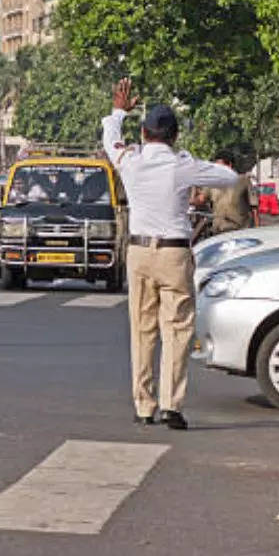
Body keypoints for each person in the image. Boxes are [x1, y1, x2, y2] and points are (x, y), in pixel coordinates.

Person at [102, 78, 238, 430]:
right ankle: (171, 406)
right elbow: (227, 177)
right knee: (176, 330)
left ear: (144, 134)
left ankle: (143, 405)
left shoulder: (129, 160)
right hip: (174, 254)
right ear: (175, 136)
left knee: (142, 329)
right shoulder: (182, 165)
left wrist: (119, 111)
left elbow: (110, 139)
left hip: (139, 252)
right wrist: (188, 160)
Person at [208, 150, 258, 234]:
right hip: (218, 232)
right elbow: (200, 199)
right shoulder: (213, 184)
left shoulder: (244, 181)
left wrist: (257, 231)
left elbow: (254, 208)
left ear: (229, 165)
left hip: (239, 232)